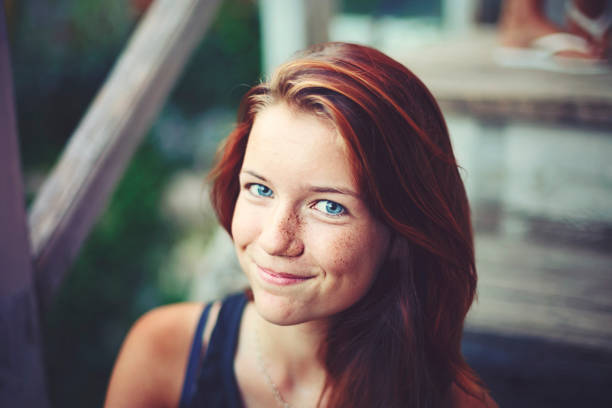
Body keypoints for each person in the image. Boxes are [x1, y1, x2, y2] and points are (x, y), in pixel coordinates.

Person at [104, 42, 497, 408]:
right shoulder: (164, 352)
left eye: (328, 206)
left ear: (402, 234)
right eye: (260, 188)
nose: (276, 240)